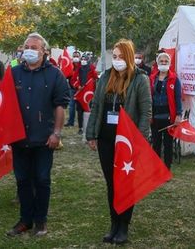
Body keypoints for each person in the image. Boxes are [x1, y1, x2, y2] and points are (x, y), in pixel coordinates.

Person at [86, 39, 151, 245]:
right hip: (106, 138)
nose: (117, 60)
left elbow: (145, 112)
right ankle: (114, 223)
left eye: (121, 56)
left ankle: (124, 225)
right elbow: (96, 106)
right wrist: (91, 134)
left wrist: (140, 139)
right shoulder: (105, 76)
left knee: (125, 182)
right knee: (111, 183)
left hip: (127, 141)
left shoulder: (140, 79)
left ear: (129, 57)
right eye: (114, 56)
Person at [5, 33, 70, 238]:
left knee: (42, 180)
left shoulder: (55, 75)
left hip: (44, 139)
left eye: (34, 47)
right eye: (27, 47)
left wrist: (56, 133)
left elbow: (60, 106)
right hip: (19, 139)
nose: (29, 50)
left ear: (44, 51)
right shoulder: (13, 73)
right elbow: (5, 103)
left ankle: (40, 220)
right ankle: (25, 220)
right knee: (22, 180)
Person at [149, 51, 182, 169]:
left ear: (169, 63)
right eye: (161, 61)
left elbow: (178, 98)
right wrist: (149, 114)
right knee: (156, 143)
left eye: (166, 61)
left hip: (169, 117)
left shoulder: (174, 79)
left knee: (168, 144)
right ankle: (156, 169)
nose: (163, 63)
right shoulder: (152, 78)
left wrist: (178, 114)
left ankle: (167, 168)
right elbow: (149, 97)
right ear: (157, 63)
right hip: (155, 116)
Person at [69, 54, 98, 134]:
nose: (83, 61)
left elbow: (95, 78)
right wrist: (77, 86)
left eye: (85, 59)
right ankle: (80, 128)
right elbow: (73, 80)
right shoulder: (79, 68)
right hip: (80, 93)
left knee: (88, 110)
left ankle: (88, 127)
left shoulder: (92, 68)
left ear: (88, 60)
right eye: (82, 59)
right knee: (79, 111)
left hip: (88, 94)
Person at [65, 50, 82, 128]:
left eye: (77, 56)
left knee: (80, 107)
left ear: (80, 57)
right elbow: (67, 75)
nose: (75, 57)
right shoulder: (70, 66)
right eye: (74, 56)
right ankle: (70, 122)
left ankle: (81, 124)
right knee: (71, 106)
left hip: (80, 90)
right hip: (72, 89)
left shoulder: (82, 66)